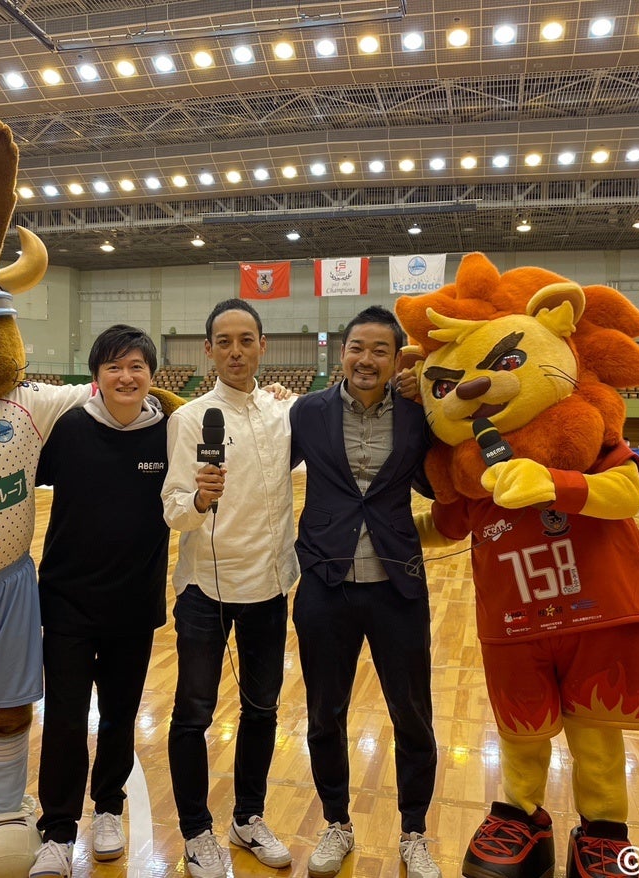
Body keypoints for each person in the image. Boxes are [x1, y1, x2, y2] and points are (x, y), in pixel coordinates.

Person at [289, 306, 441, 878]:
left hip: (396, 584)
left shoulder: (419, 417)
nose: (367, 359)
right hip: (324, 584)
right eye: (358, 347)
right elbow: (264, 470)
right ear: (342, 352)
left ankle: (414, 831)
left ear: (397, 359)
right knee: (324, 715)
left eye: (380, 350)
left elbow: (444, 481)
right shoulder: (307, 412)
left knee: (413, 715)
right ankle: (336, 823)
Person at [161, 298, 297, 878]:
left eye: (246, 340)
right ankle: (197, 831)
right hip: (204, 591)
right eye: (224, 341)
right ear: (208, 350)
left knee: (262, 709)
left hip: (269, 586)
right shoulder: (190, 419)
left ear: (263, 346)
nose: (235, 351)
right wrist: (199, 499)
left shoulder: (283, 412)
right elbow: (172, 510)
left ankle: (248, 817)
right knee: (193, 714)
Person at [29, 326, 172, 878]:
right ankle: (58, 831)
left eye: (136, 366)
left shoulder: (169, 435)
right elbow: (22, 478)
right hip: (67, 601)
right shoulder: (69, 429)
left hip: (134, 603)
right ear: (96, 376)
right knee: (65, 720)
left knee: (119, 716)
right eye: (114, 366)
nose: (125, 376)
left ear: (152, 375)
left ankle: (109, 808)